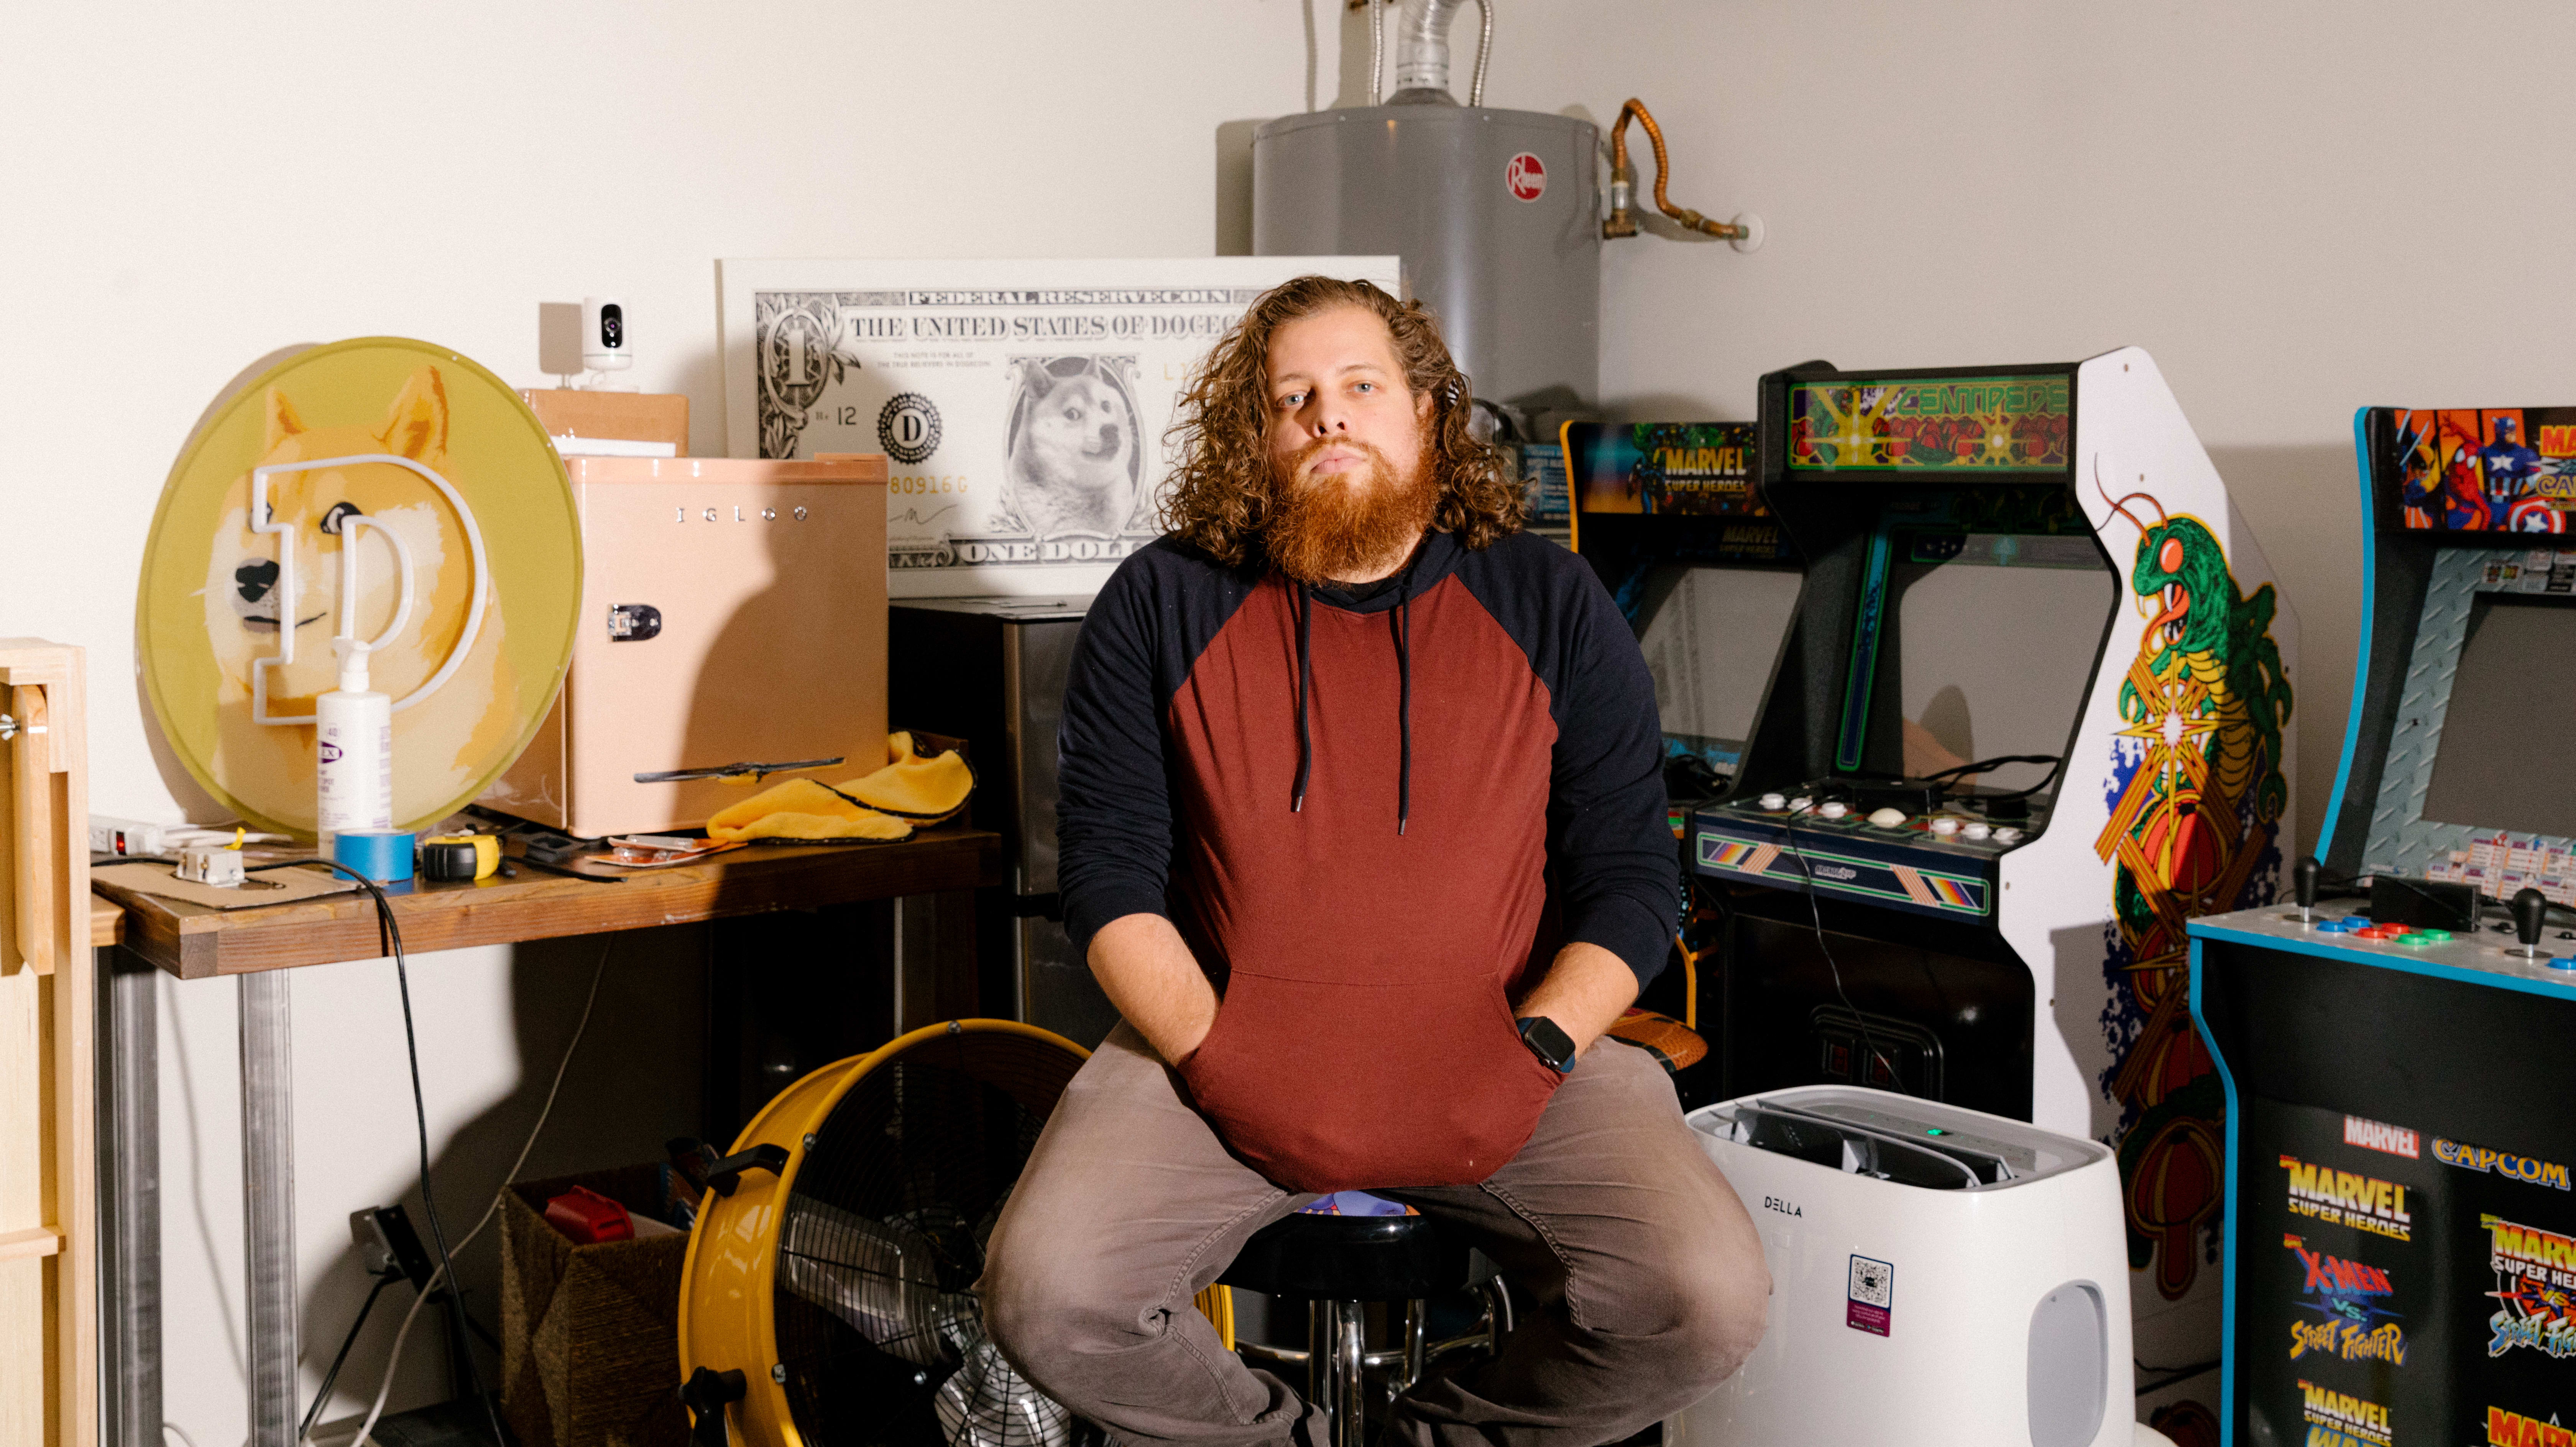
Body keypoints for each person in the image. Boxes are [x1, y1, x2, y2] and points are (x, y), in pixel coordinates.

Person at [978, 276, 1769, 1446]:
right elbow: (1110, 883)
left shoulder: (1550, 599)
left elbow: (1634, 882)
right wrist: (1220, 1058)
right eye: (1291, 397)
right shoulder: (1161, 600)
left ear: (1428, 413)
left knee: (1705, 1299)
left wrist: (1538, 1049)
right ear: (1254, 437)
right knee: (1048, 1294)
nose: (1328, 415)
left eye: (1360, 385)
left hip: (1505, 1051)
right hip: (1221, 1051)